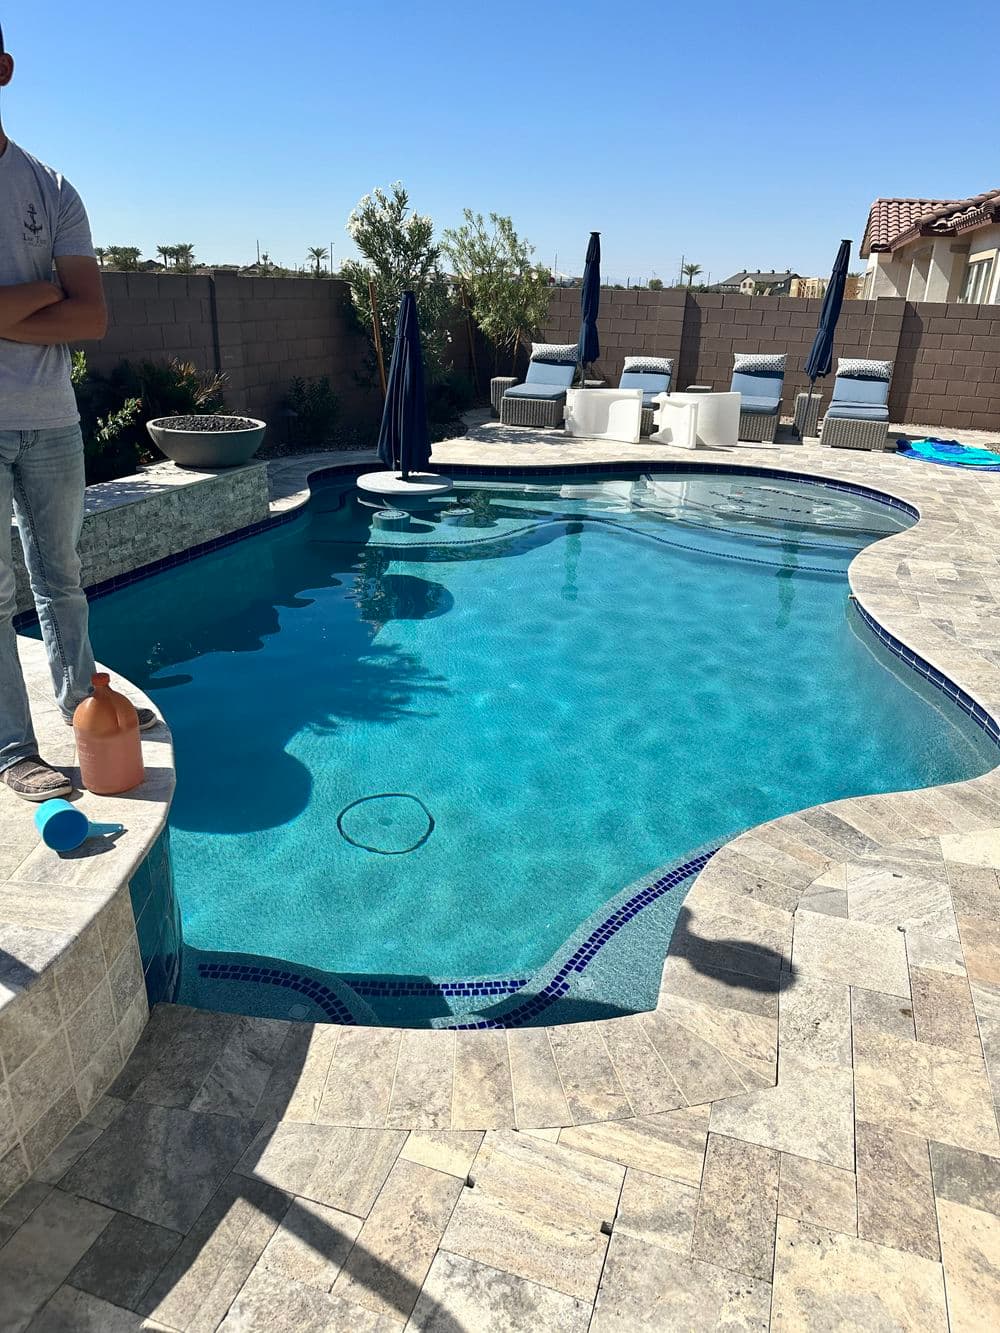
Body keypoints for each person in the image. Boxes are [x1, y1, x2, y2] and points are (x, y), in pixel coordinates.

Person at [0, 22, 157, 801]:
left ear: (2, 67)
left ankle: (80, 704)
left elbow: (90, 315)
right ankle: (11, 749)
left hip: (51, 418)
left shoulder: (50, 188)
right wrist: (35, 299)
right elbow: (63, 300)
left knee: (60, 577)